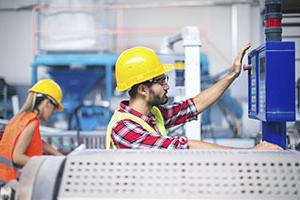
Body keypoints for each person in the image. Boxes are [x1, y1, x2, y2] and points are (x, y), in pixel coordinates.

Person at [106, 44, 282, 150]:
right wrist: (250, 153)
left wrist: (232, 75)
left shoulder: (153, 115)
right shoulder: (124, 128)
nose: (167, 86)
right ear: (143, 89)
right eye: (161, 81)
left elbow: (192, 106)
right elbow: (183, 146)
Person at [0, 79, 64, 186]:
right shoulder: (32, 122)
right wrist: (44, 164)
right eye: (54, 108)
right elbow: (17, 157)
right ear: (47, 103)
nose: (53, 112)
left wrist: (58, 155)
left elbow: (35, 140)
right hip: (8, 182)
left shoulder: (21, 117)